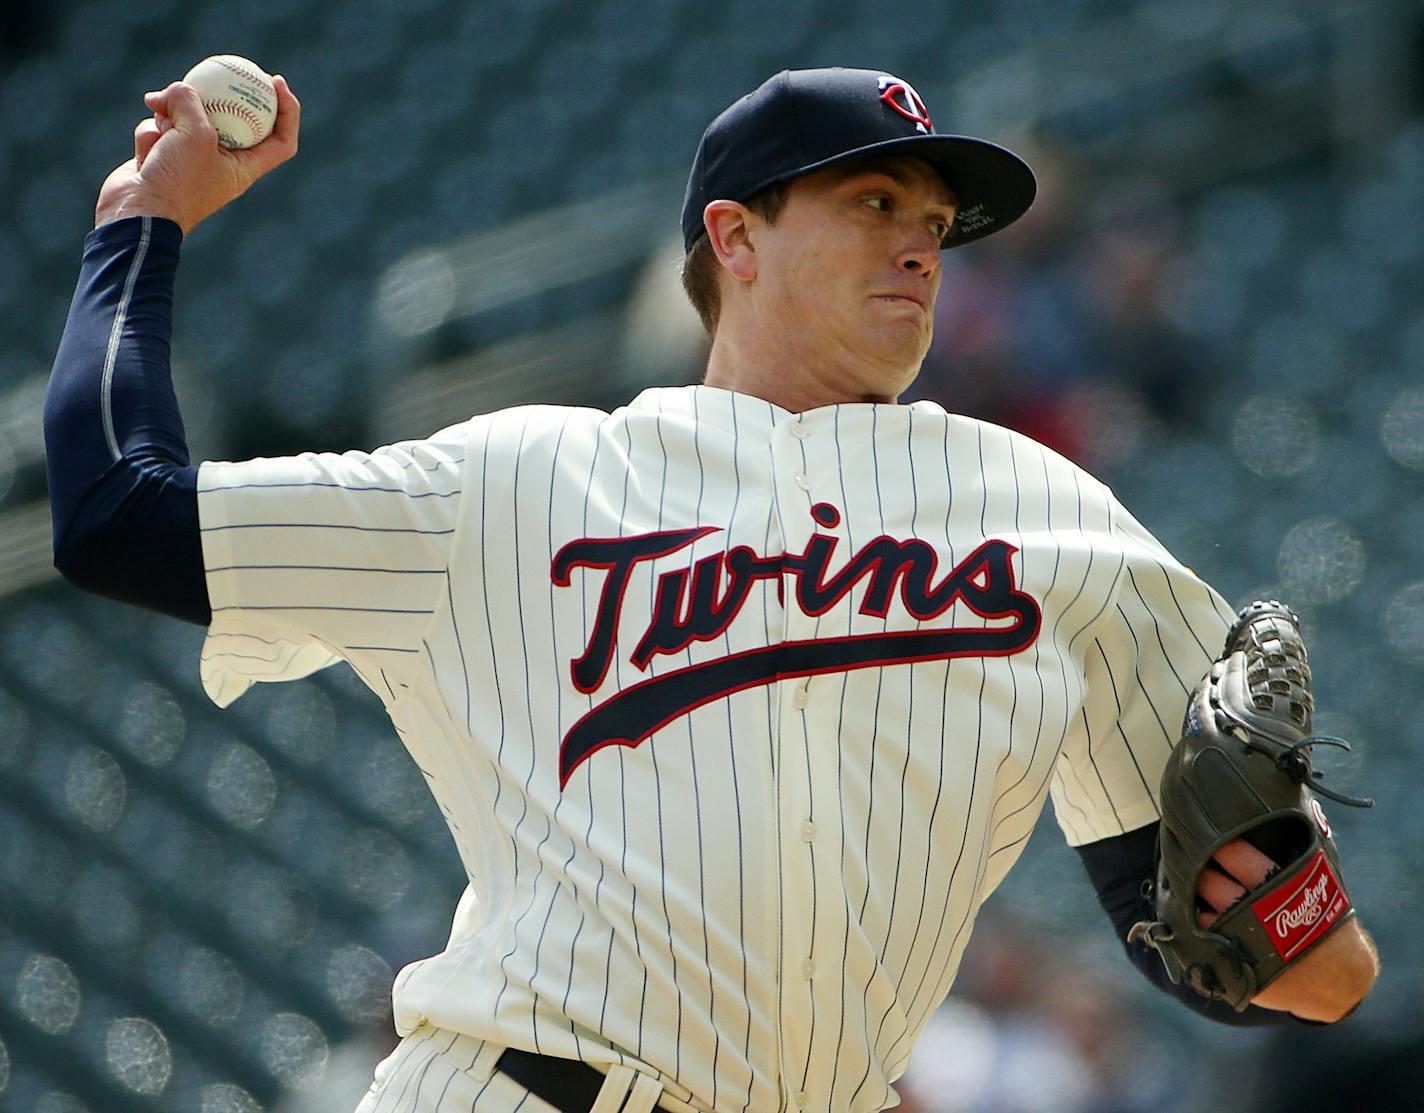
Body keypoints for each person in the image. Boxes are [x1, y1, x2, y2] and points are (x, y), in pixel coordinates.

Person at [44, 66, 1377, 1113]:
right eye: (873, 204)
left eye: (935, 221)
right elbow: (118, 515)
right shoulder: (518, 476)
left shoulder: (1054, 515)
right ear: (734, 236)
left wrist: (1278, 907)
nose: (920, 245)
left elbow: (1289, 977)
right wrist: (141, 224)